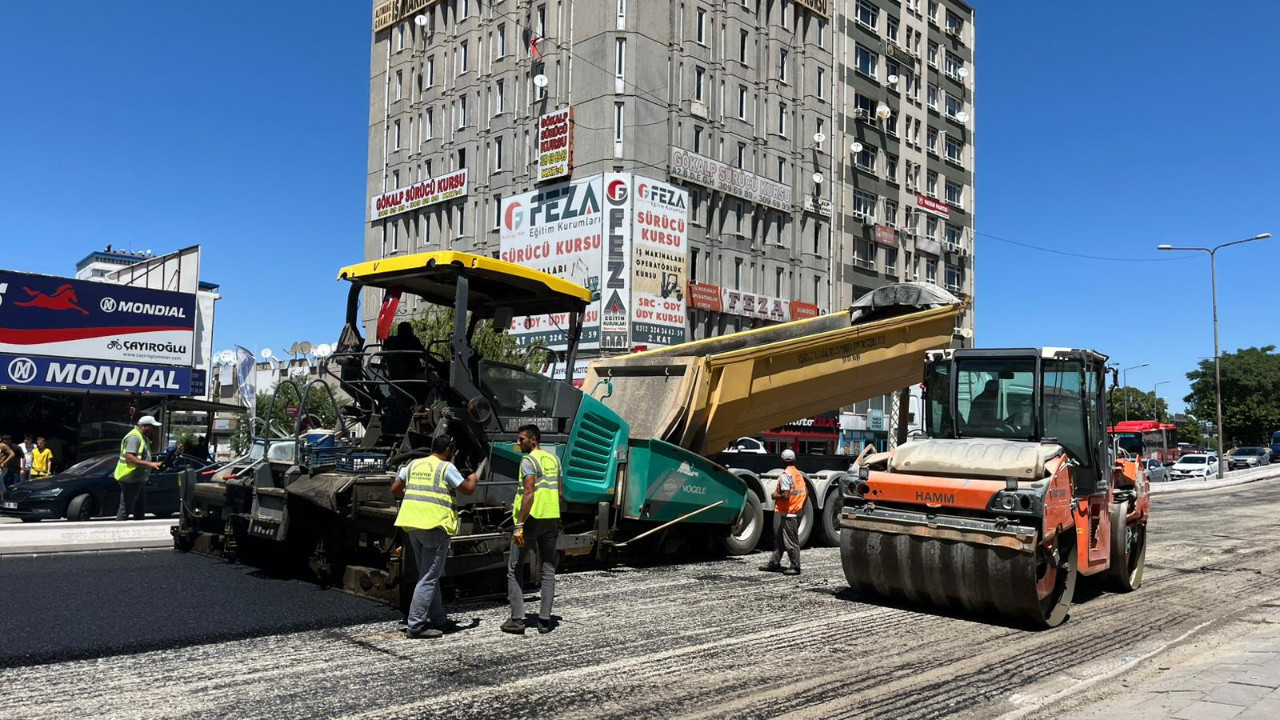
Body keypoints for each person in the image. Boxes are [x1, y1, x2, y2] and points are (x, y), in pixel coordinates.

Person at [392, 434, 478, 639]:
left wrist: (412, 496)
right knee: (428, 578)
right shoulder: (446, 468)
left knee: (429, 575)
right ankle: (415, 625)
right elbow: (467, 490)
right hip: (434, 526)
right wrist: (474, 477)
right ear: (448, 449)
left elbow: (395, 490)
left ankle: (439, 619)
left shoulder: (413, 464)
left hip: (413, 525)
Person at [502, 424, 562, 635]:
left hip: (532, 519)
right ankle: (545, 620)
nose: (518, 443)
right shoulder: (554, 459)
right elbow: (559, 491)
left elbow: (528, 493)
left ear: (533, 440)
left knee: (514, 567)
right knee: (548, 568)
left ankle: (517, 619)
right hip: (551, 518)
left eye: (521, 439)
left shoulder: (528, 460)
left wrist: (519, 523)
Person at [760, 449, 807, 576]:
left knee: (791, 541)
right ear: (794, 460)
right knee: (780, 539)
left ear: (782, 461)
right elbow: (806, 492)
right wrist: (799, 507)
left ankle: (795, 566)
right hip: (794, 511)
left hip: (789, 513)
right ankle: (774, 563)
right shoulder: (797, 474)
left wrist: (775, 495)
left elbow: (786, 495)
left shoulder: (786, 475)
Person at [114, 416, 164, 521]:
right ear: (144, 426)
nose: (154, 429)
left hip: (138, 478)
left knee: (140, 506)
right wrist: (151, 464)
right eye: (153, 427)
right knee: (126, 507)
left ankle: (138, 525)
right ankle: (118, 527)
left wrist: (156, 435)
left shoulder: (143, 438)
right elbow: (130, 458)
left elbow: (154, 450)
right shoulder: (134, 437)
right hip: (130, 477)